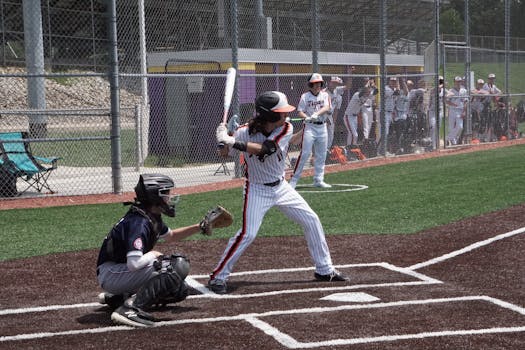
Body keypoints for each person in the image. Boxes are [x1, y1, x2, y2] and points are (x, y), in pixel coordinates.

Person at [211, 90, 348, 294]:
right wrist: (222, 138)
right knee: (248, 234)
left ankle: (324, 269)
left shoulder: (286, 128)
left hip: (281, 187)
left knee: (311, 219)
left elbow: (266, 149)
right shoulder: (243, 132)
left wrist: (232, 141)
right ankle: (218, 277)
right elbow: (224, 153)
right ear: (270, 115)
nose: (286, 115)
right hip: (256, 189)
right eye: (281, 112)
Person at [96, 174, 222, 327]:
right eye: (166, 194)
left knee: (178, 290)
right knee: (175, 266)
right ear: (154, 196)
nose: (169, 197)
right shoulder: (139, 222)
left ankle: (119, 298)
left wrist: (199, 226)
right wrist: (153, 254)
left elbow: (172, 236)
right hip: (112, 273)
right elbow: (134, 264)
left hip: (119, 272)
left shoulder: (149, 216)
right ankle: (130, 309)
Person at [289, 73, 332, 188]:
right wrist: (306, 117)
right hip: (310, 127)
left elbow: (327, 107)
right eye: (315, 84)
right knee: (305, 153)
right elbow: (300, 111)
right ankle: (293, 180)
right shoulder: (305, 96)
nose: (317, 86)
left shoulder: (325, 95)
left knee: (321, 154)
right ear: (311, 85)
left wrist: (316, 114)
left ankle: (318, 179)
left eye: (319, 83)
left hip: (322, 127)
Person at [325, 76, 346, 153]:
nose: (334, 85)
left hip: (330, 115)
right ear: (329, 83)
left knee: (331, 135)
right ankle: (321, 152)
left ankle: (327, 151)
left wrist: (333, 121)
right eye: (333, 83)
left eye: (336, 83)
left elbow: (336, 110)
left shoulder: (338, 95)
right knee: (323, 134)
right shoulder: (324, 92)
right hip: (323, 115)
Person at [445, 76, 468, 145]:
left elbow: (466, 101)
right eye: (457, 81)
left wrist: (464, 111)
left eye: (459, 81)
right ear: (454, 82)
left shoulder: (464, 90)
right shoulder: (451, 91)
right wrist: (453, 104)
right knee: (451, 127)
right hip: (452, 110)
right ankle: (453, 140)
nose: (458, 83)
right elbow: (446, 101)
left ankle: (447, 138)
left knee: (460, 127)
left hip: (460, 110)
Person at [427, 76, 445, 149]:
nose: (439, 82)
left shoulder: (444, 90)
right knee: (433, 126)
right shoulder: (433, 90)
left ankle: (435, 143)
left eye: (440, 81)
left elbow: (450, 93)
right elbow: (429, 101)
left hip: (440, 111)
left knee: (438, 127)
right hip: (432, 111)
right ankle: (433, 144)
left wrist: (448, 95)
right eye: (438, 81)